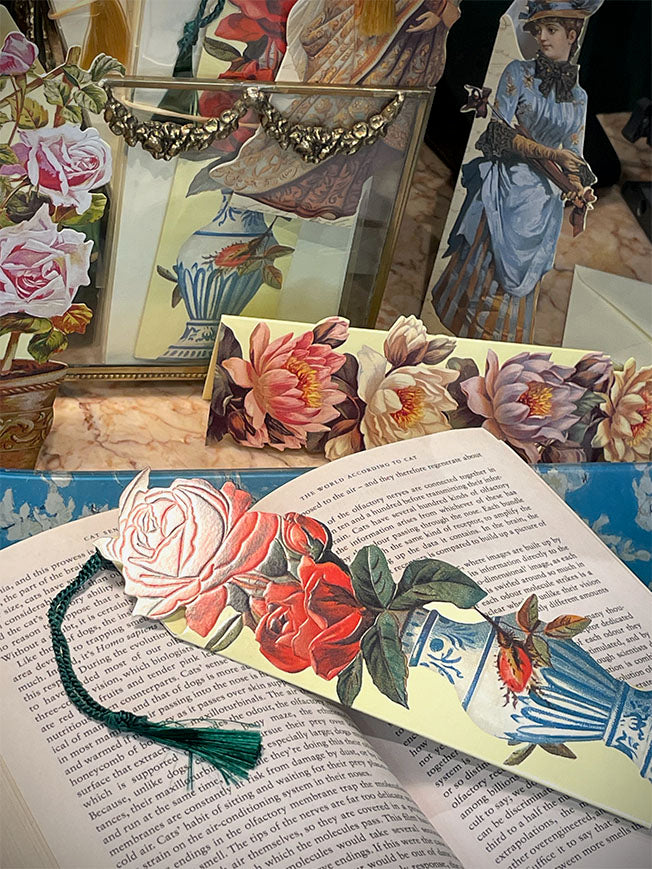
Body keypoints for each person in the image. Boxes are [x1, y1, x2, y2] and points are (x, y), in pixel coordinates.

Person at [430, 0, 601, 343]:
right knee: (485, 263)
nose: (542, 38)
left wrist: (578, 186)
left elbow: (575, 152)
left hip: (543, 202)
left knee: (521, 286)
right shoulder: (517, 73)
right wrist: (551, 153)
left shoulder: (579, 97)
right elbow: (496, 134)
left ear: (572, 35)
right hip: (505, 187)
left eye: (551, 30)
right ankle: (456, 325)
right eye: (538, 30)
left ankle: (501, 340)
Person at [208, 0, 461, 219]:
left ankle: (336, 196)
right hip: (359, 28)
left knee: (365, 117)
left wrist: (439, 11)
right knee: (334, 110)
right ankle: (294, 187)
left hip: (397, 37)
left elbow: (450, 14)